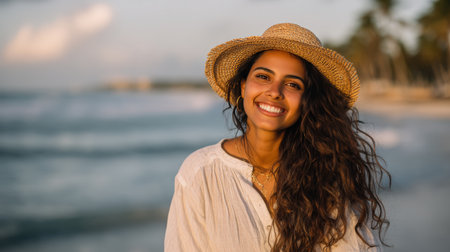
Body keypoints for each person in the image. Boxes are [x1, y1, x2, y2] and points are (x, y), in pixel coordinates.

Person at [164, 23, 390, 252]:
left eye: (293, 84)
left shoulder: (329, 175)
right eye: (263, 76)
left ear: (308, 101)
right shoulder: (199, 173)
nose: (274, 91)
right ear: (243, 88)